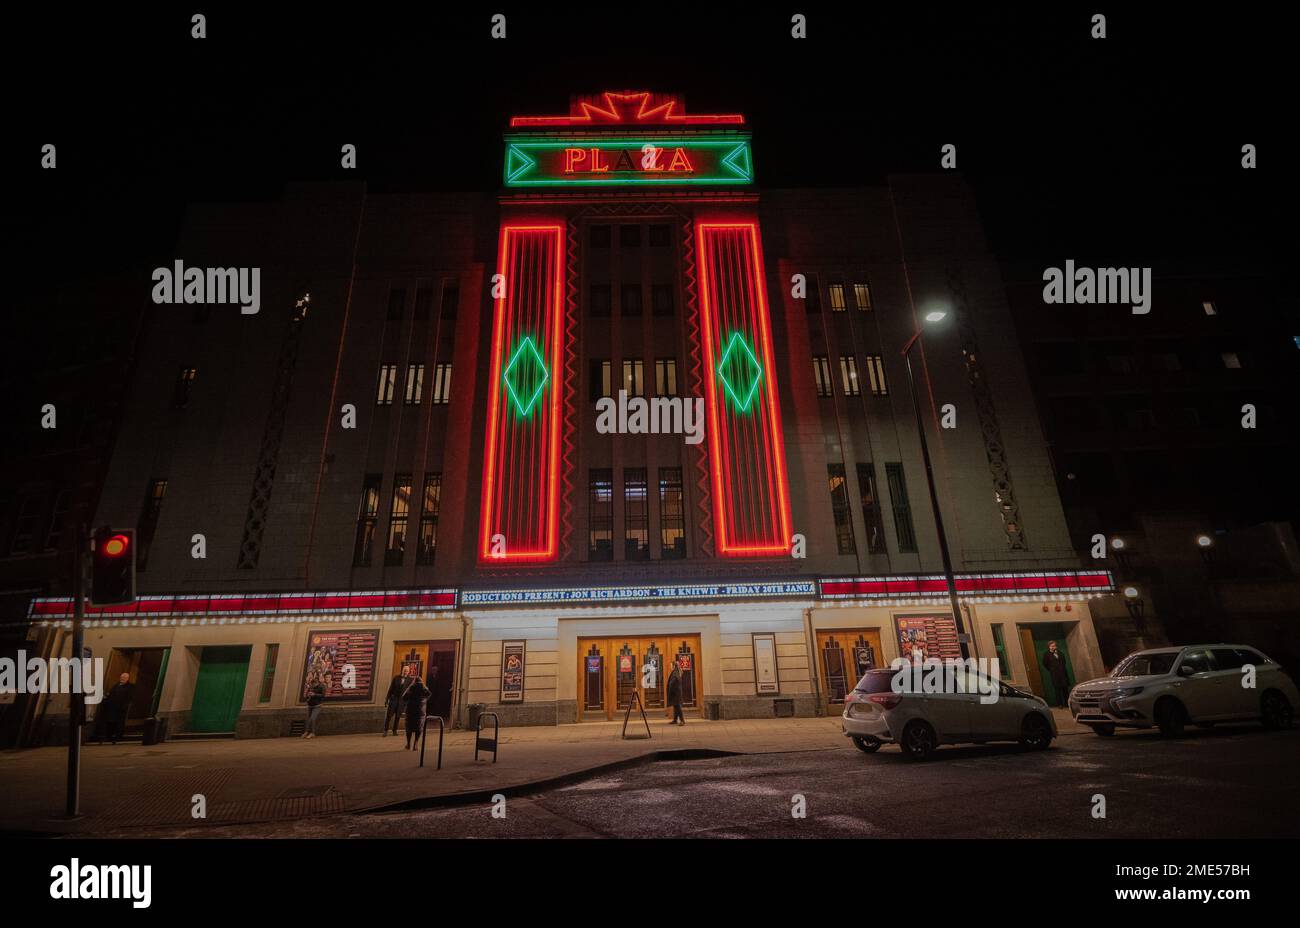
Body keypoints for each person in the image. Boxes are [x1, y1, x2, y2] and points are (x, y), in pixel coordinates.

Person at [91, 672, 134, 744]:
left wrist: (124, 706)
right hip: (112, 708)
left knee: (118, 723)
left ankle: (117, 737)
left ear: (127, 679)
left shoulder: (130, 687)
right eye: (121, 677)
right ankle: (109, 737)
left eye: (124, 678)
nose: (122, 679)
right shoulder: (116, 685)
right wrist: (106, 698)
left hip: (120, 709)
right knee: (110, 722)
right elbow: (110, 693)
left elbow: (129, 698)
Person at [402, 675, 431, 750]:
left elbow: (404, 697)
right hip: (420, 711)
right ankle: (416, 744)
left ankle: (408, 744)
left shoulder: (411, 687)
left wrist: (409, 687)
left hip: (410, 710)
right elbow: (429, 694)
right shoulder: (424, 689)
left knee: (409, 728)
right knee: (419, 728)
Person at [382, 668, 413, 736]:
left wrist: (408, 702)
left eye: (407, 671)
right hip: (394, 700)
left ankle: (394, 730)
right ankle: (385, 730)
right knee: (389, 715)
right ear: (402, 670)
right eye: (404, 670)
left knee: (398, 716)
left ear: (408, 672)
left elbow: (410, 692)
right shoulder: (396, 678)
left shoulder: (410, 680)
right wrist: (387, 699)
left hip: (402, 701)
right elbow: (391, 689)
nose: (405, 672)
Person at [1042, 641, 1071, 708]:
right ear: (1049, 647)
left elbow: (1064, 662)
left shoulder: (1060, 653)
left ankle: (1067, 703)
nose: (1053, 647)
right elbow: (1045, 663)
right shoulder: (1046, 654)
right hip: (1055, 674)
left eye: (1054, 646)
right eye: (1052, 646)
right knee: (1057, 690)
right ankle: (1060, 704)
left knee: (1065, 689)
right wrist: (1052, 669)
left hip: (1063, 674)